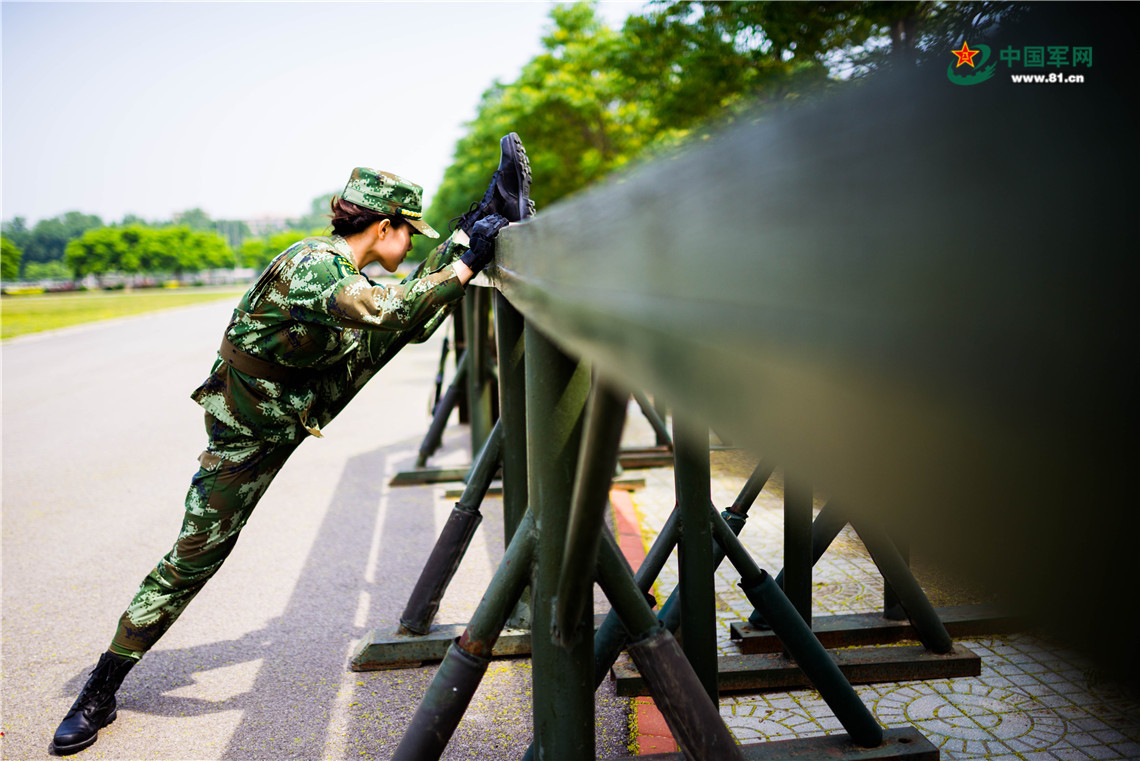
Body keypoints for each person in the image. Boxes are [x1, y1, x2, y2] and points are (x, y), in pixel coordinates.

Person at [50, 134, 533, 755]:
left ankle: (484, 218)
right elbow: (384, 309)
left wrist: (464, 255)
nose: (409, 242)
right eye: (408, 231)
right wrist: (464, 267)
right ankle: (100, 687)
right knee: (195, 556)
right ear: (383, 226)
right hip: (248, 434)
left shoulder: (345, 270)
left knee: (410, 315)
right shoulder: (314, 264)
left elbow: (403, 320)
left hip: (301, 400)